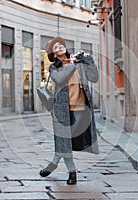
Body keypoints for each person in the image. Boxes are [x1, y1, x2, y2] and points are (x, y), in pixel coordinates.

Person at [39, 36, 99, 185]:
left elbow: (94, 78)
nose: (60, 47)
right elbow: (60, 79)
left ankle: (52, 164)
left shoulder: (78, 62)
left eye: (60, 45)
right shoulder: (54, 68)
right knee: (64, 141)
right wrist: (71, 63)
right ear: (53, 55)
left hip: (81, 109)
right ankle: (72, 172)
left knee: (67, 142)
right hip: (61, 110)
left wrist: (88, 60)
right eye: (55, 47)